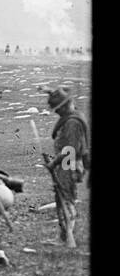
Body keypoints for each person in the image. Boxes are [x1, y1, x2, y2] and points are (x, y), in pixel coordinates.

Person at [46, 86, 89, 249]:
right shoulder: (73, 115)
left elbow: (70, 149)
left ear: (64, 107)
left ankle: (68, 235)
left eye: (57, 110)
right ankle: (64, 235)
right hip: (67, 163)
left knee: (66, 198)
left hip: (69, 163)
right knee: (61, 196)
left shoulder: (72, 122)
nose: (56, 113)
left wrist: (54, 162)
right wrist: (50, 92)